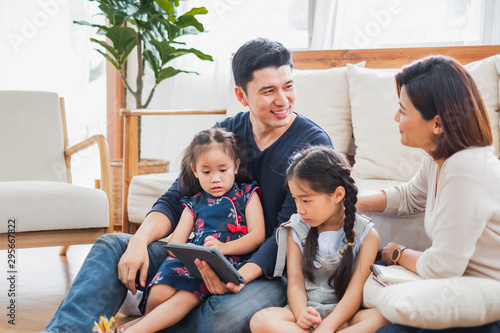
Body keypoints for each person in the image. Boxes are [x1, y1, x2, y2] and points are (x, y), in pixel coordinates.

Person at [44, 37, 333, 333]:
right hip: (202, 256)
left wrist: (235, 276)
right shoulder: (225, 134)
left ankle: (147, 323)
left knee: (219, 320)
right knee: (112, 246)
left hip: (268, 271)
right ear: (241, 95)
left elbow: (288, 233)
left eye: (288, 86)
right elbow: (175, 198)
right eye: (268, 91)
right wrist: (139, 243)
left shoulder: (312, 144)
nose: (283, 100)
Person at [355, 55, 500, 333]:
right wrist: (354, 202)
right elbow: (410, 197)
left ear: (437, 124)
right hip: (456, 289)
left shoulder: (465, 170)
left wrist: (397, 253)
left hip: (482, 303)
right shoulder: (440, 158)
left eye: (403, 110)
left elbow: (441, 268)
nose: (396, 117)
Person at [125, 128, 266, 332]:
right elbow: (173, 245)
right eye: (207, 172)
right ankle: (145, 324)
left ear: (236, 166)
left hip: (226, 259)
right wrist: (188, 249)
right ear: (195, 171)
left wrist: (224, 248)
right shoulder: (193, 204)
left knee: (185, 297)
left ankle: (134, 329)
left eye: (222, 170)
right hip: (193, 261)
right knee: (159, 293)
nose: (215, 178)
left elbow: (258, 235)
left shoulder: (247, 195)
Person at [249, 146, 385, 333]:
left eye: (306, 200)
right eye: (295, 199)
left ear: (338, 195)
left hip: (344, 316)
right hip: (306, 313)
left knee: (382, 317)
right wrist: (301, 313)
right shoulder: (296, 228)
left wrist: (328, 327)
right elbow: (295, 280)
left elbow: (355, 291)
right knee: (260, 321)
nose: (299, 209)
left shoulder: (367, 235)